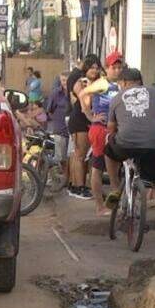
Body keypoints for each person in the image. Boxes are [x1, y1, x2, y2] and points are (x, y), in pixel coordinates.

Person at [104, 68, 155, 242]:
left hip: (125, 144)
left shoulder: (117, 98)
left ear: (124, 83)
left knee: (108, 149)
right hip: (153, 145)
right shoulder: (154, 93)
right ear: (140, 81)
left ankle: (114, 188)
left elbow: (111, 128)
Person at [80, 51, 124, 215]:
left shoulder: (119, 85)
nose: (117, 70)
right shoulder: (102, 83)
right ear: (107, 68)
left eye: (120, 67)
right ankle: (99, 206)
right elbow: (83, 93)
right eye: (114, 67)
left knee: (115, 165)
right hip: (100, 129)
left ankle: (115, 199)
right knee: (98, 167)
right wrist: (90, 116)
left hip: (114, 129)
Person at [67, 58, 100, 199]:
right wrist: (92, 118)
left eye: (97, 67)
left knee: (77, 155)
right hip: (80, 121)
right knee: (81, 156)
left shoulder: (85, 81)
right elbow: (84, 103)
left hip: (78, 120)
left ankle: (75, 186)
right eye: (91, 67)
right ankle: (80, 188)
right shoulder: (83, 81)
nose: (95, 70)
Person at [45, 71, 72, 172]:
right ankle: (63, 178)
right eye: (63, 80)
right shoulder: (55, 94)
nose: (65, 83)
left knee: (71, 158)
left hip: (73, 131)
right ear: (60, 81)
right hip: (60, 130)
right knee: (61, 158)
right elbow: (49, 111)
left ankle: (70, 179)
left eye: (67, 80)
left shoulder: (75, 92)